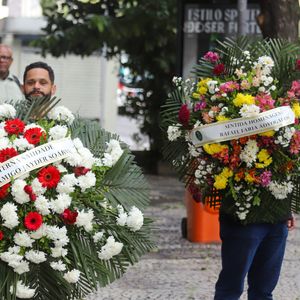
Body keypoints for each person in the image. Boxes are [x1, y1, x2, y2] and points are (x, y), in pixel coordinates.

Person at [214, 204, 295, 299]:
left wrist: (288, 209)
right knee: (230, 288)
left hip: (278, 217)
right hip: (243, 218)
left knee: (263, 290)